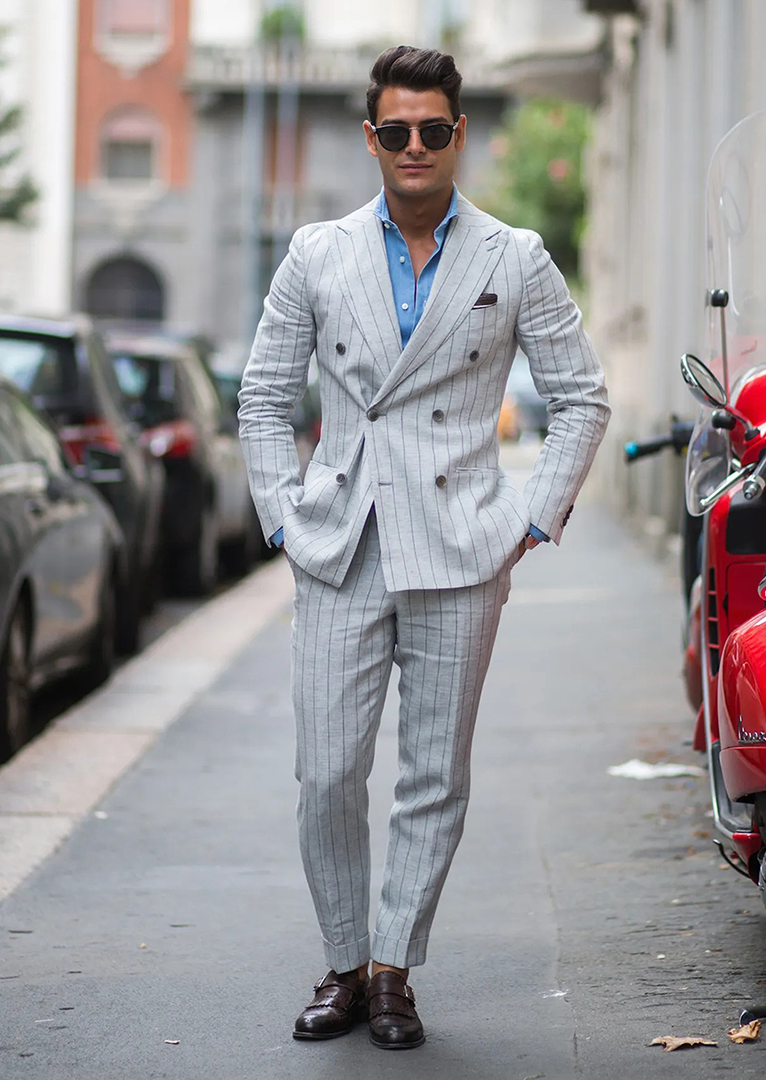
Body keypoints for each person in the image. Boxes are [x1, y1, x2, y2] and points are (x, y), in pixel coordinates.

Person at [238, 44, 610, 1050]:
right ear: (371, 138)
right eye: (394, 131)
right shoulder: (317, 253)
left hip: (459, 545)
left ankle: (392, 968)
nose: (413, 147)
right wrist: (282, 514)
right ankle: (343, 958)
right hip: (340, 545)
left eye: (432, 130)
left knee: (432, 775)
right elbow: (265, 400)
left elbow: (579, 397)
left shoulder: (512, 256)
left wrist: (531, 519)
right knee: (325, 771)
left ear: (457, 136)